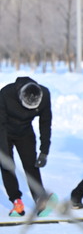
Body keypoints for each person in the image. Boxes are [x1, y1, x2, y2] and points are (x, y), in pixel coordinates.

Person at [0, 79, 56, 217]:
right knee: (7, 166)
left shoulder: (44, 95)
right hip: (4, 131)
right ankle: (16, 201)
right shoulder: (6, 94)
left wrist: (44, 151)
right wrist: (5, 154)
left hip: (25, 132)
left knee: (31, 165)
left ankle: (40, 199)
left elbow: (45, 123)